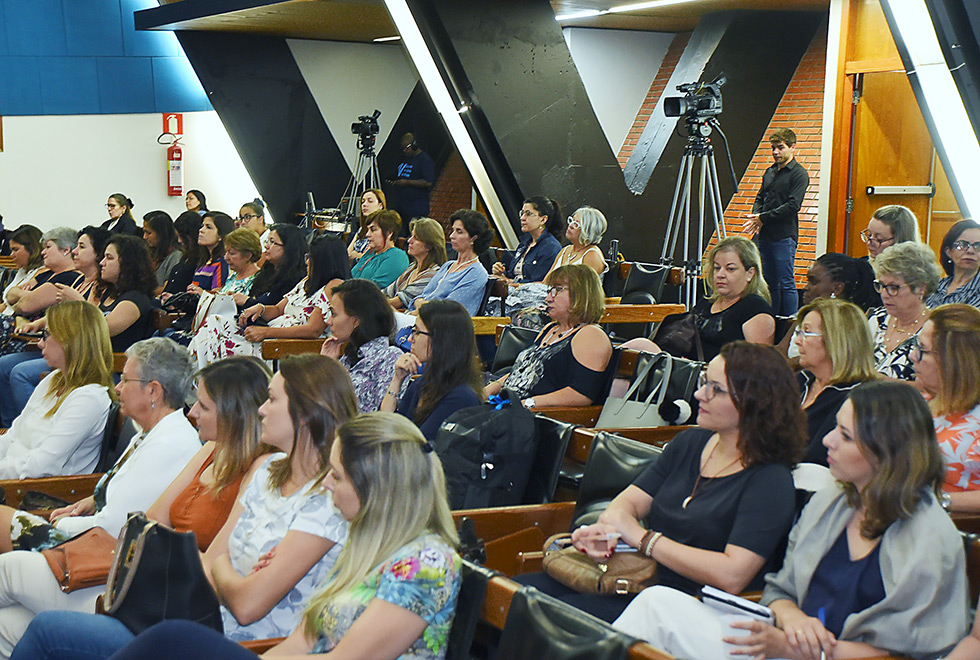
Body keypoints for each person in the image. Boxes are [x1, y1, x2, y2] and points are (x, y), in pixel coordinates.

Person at [28, 412, 463, 660]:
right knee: (171, 639)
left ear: (376, 491)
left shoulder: (425, 563)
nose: (326, 485)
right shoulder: (366, 543)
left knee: (173, 640)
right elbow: (302, 641)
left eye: (336, 476)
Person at [614, 381, 968, 660]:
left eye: (844, 436)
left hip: (824, 656)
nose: (826, 440)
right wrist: (793, 621)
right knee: (655, 604)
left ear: (885, 452)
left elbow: (910, 649)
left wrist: (795, 649)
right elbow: (780, 591)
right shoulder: (833, 501)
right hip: (786, 645)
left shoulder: (930, 537)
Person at [0, 356, 270, 656]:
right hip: (146, 580)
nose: (192, 412)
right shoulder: (208, 449)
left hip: (171, 601)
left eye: (203, 407)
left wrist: (174, 549)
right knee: (7, 623)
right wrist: (175, 549)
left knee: (8, 571)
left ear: (234, 415)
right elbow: (152, 518)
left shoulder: (256, 469)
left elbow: (215, 558)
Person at [519, 342, 804, 622]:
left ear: (755, 403)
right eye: (704, 381)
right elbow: (624, 506)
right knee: (521, 594)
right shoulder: (691, 443)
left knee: (549, 617)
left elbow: (732, 575)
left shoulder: (770, 481)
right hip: (638, 578)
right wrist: (604, 534)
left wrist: (645, 540)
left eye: (714, 389)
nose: (698, 394)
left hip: (689, 607)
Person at [0, 338, 200, 553]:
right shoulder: (151, 431)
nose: (118, 388)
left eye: (125, 380)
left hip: (106, 556)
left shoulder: (168, 445)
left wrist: (61, 523)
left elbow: (113, 527)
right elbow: (119, 496)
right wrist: (90, 501)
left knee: (4, 522)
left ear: (153, 391)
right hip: (96, 537)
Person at [190, 235, 347, 365]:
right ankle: (196, 386)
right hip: (270, 337)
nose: (306, 262)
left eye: (311, 258)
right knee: (214, 322)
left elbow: (313, 330)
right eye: (307, 257)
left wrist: (266, 332)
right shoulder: (306, 281)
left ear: (324, 261)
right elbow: (278, 310)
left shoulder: (333, 286)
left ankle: (196, 388)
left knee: (216, 341)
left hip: (285, 346)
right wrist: (261, 308)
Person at [0, 302, 113, 478]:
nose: (39, 343)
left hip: (34, 492)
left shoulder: (89, 399)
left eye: (46, 334)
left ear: (70, 338)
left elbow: (40, 467)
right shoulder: (54, 379)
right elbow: (13, 436)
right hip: (12, 479)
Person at [485, 264, 613, 408]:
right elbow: (525, 370)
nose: (548, 298)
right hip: (507, 405)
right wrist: (489, 389)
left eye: (557, 290)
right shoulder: (550, 329)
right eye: (550, 291)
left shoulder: (590, 335)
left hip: (536, 417)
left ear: (581, 294)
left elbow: (581, 394)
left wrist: (526, 404)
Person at [381, 299, 484, 440]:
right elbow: (385, 426)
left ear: (440, 340)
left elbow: (418, 446)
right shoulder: (423, 383)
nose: (410, 339)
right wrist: (397, 379)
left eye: (417, 332)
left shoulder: (461, 397)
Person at [911, 304, 980, 512]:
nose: (912, 356)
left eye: (922, 350)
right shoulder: (918, 403)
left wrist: (939, 501)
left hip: (953, 530)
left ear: (953, 362)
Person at [793, 298, 878, 465]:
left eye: (807, 332)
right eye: (799, 332)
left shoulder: (857, 398)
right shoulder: (799, 381)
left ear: (835, 339)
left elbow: (817, 457)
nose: (798, 341)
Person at [743, 128, 809, 316]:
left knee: (786, 282)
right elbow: (760, 197)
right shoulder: (770, 172)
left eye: (780, 148)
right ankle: (771, 319)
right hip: (765, 234)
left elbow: (792, 206)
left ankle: (788, 322)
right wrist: (756, 215)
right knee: (769, 281)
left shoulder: (799, 174)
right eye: (773, 148)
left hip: (784, 235)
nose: (775, 152)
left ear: (793, 147)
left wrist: (762, 218)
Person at [777, 252, 879, 360]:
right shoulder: (807, 313)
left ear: (837, 288)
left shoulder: (847, 323)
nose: (805, 287)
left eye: (814, 282)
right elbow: (781, 350)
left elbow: (826, 361)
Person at [321, 279, 402, 413]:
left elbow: (383, 417)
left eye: (334, 314)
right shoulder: (349, 356)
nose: (328, 321)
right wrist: (327, 365)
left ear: (356, 320)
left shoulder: (389, 358)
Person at [868, 241, 942, 380]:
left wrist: (877, 381)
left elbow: (935, 389)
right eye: (881, 285)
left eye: (894, 287)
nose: (884, 294)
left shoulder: (935, 329)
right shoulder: (875, 319)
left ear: (920, 288)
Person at [408, 209, 492, 315]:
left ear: (473, 239)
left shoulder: (476, 273)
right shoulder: (448, 265)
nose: (452, 236)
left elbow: (450, 310)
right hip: (421, 317)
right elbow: (420, 296)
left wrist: (422, 306)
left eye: (459, 231)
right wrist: (421, 304)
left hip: (440, 326)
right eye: (453, 230)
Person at [492, 196, 563, 285]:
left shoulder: (551, 247)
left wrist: (509, 281)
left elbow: (539, 283)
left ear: (543, 219)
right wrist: (501, 272)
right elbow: (512, 274)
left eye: (528, 214)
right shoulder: (525, 243)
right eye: (522, 213)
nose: (522, 218)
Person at [386, 217, 447, 310]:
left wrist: (370, 303)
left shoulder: (432, 274)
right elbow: (387, 292)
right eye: (411, 236)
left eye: (416, 238)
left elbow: (397, 302)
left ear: (429, 245)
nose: (409, 241)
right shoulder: (412, 268)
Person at [241, 223, 308, 309]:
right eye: (267, 241)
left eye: (272, 242)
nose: (266, 246)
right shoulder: (268, 270)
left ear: (288, 247)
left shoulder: (294, 279)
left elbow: (274, 307)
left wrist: (246, 301)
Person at [926, 219, 980, 308]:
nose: (970, 251)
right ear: (949, 252)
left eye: (978, 246)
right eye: (962, 245)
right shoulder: (935, 286)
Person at [349, 210, 409, 289]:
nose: (367, 234)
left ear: (389, 233)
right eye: (368, 230)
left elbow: (373, 289)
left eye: (373, 230)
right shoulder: (371, 252)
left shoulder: (397, 257)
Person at [548, 205, 608, 276]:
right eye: (571, 221)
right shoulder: (565, 250)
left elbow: (583, 286)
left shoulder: (592, 255)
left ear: (588, 230)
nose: (570, 225)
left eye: (576, 224)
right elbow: (546, 280)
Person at [390, 132, 435, 225]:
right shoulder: (404, 158)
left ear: (415, 145)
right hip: (402, 208)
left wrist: (407, 182)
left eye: (407, 147)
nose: (405, 151)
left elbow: (428, 182)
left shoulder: (425, 160)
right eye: (403, 148)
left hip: (416, 209)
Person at [160, 211, 204, 297]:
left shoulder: (199, 261)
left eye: (183, 237)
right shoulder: (186, 257)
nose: (179, 241)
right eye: (178, 236)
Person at [0, 226, 42, 316]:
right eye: (11, 250)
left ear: (32, 249)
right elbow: (5, 305)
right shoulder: (22, 271)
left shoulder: (41, 273)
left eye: (16, 249)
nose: (11, 255)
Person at [189, 211, 236, 293]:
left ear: (221, 235)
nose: (201, 230)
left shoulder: (223, 262)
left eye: (208, 227)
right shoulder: (204, 261)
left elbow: (219, 294)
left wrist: (201, 293)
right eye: (202, 226)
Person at [216, 228, 263, 305]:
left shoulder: (259, 280)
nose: (226, 257)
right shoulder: (233, 276)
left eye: (232, 253)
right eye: (226, 252)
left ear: (248, 255)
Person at [141, 210, 182, 289]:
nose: (144, 237)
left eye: (148, 233)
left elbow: (166, 289)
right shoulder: (150, 252)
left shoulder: (176, 256)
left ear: (161, 233)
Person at [347, 188, 386, 262]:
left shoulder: (383, 230)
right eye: (363, 202)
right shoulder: (361, 229)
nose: (364, 204)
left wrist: (357, 255)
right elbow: (348, 253)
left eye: (370, 201)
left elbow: (370, 257)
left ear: (380, 205)